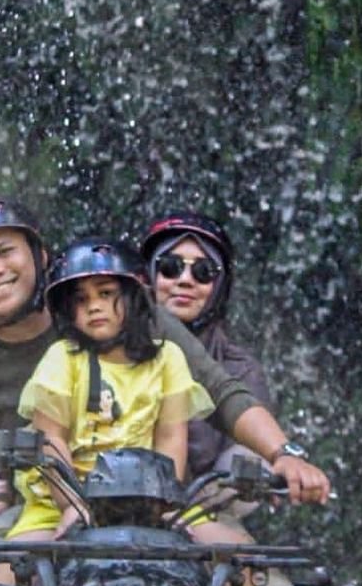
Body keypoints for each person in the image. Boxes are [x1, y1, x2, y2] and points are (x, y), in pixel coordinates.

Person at [0, 197, 328, 536]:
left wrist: (284, 453)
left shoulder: (126, 316)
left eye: (5, 252)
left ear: (40, 258)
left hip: (160, 513)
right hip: (42, 516)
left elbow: (223, 393)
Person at [3, 235, 215, 545]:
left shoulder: (167, 358)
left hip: (147, 499)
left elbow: (171, 437)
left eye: (105, 293)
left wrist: (164, 503)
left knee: (236, 558)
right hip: (62, 500)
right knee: (10, 572)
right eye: (81, 299)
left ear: (134, 297)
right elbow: (50, 439)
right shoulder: (62, 358)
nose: (94, 307)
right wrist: (73, 504)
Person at [141, 209, 329, 512]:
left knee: (249, 461)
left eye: (203, 272)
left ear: (220, 286)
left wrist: (285, 456)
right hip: (108, 504)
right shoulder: (105, 339)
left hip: (202, 515)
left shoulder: (240, 368)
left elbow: (250, 446)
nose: (185, 280)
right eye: (170, 267)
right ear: (146, 277)